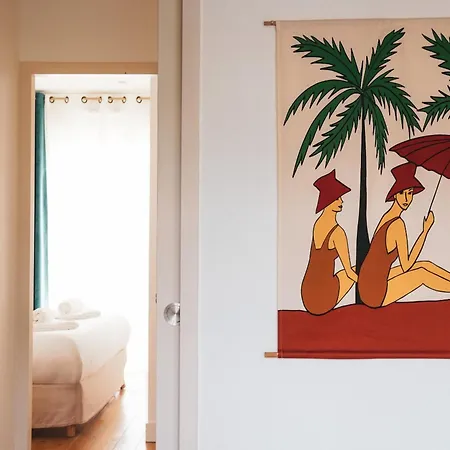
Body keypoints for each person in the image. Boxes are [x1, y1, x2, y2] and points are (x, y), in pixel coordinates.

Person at [358, 162, 450, 307]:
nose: (407, 198)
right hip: (375, 293)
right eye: (402, 193)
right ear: (395, 194)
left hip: (367, 283)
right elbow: (406, 266)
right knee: (421, 274)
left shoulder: (387, 216)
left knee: (424, 264)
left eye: (410, 193)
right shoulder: (397, 224)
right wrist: (425, 231)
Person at [301, 170, 358, 315]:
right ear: (328, 200)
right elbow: (349, 273)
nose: (341, 201)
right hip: (323, 299)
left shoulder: (317, 224)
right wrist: (367, 284)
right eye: (337, 198)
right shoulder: (338, 233)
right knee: (356, 269)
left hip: (307, 293)